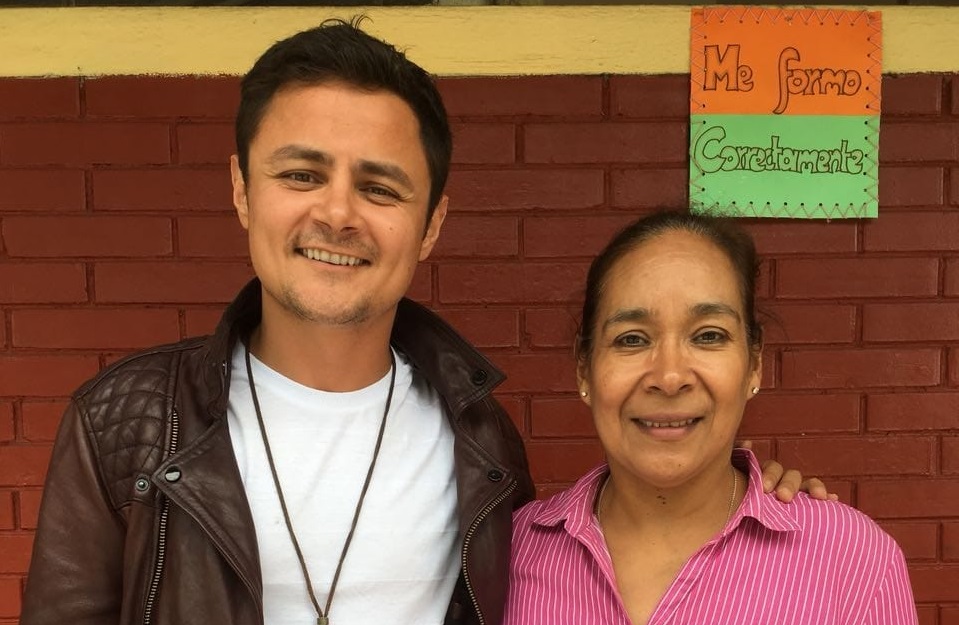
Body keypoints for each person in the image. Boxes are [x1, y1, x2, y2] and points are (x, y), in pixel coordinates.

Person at [21, 20, 825, 625]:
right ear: (241, 189)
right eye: (301, 173)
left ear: (431, 223)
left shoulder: (481, 445)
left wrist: (747, 490)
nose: (337, 213)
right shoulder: (125, 422)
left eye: (379, 187)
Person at [504, 211, 918, 625]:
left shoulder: (854, 563)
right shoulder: (503, 555)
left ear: (754, 363)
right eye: (631, 339)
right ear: (584, 369)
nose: (669, 377)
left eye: (708, 336)